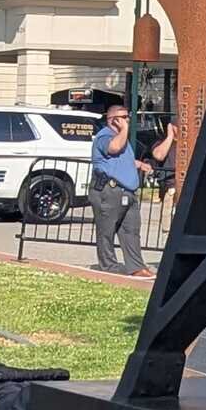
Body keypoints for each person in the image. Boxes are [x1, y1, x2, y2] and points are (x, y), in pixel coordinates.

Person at [88, 98, 150, 276]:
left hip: (127, 192)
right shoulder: (105, 136)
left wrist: (139, 164)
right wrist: (124, 129)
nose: (127, 120)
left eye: (127, 117)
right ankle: (108, 266)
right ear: (113, 119)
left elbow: (121, 159)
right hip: (109, 190)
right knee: (106, 230)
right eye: (123, 117)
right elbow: (113, 148)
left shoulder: (123, 138)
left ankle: (136, 266)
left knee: (131, 230)